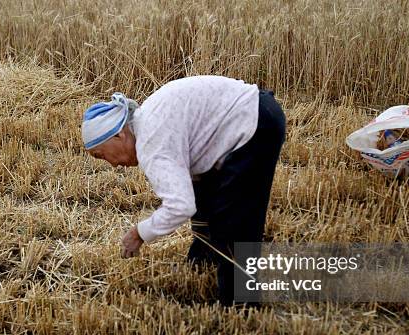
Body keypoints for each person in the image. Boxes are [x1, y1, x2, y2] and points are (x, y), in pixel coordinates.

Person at [81, 76, 286, 307]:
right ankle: (202, 262)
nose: (111, 164)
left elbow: (181, 206)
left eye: (101, 154)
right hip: (257, 109)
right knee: (208, 197)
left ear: (119, 135)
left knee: (234, 221)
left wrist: (140, 233)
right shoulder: (149, 121)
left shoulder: (151, 144)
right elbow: (195, 185)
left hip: (253, 123)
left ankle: (241, 304)